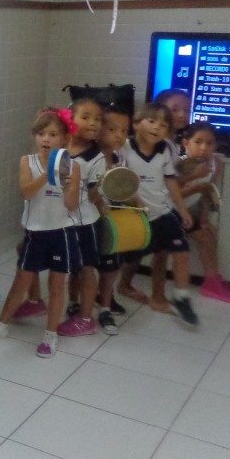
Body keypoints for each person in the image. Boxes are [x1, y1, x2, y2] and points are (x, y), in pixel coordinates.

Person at [0, 109, 82, 358]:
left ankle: (51, 334)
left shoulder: (74, 167)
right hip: (35, 232)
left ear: (65, 138)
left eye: (53, 134)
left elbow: (71, 205)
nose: (46, 139)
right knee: (22, 279)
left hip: (62, 232)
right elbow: (25, 192)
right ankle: (1, 324)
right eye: (41, 134)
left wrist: (68, 185)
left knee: (57, 285)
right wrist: (49, 175)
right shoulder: (27, 161)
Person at [117, 103, 199, 324]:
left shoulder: (165, 150)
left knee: (181, 251)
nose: (157, 128)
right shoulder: (123, 147)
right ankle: (118, 288)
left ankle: (182, 297)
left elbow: (171, 181)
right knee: (132, 257)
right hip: (136, 216)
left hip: (162, 212)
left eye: (163, 125)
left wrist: (182, 210)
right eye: (151, 121)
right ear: (136, 124)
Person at [58, 99, 106, 338]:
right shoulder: (58, 146)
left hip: (85, 222)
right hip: (60, 220)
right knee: (72, 268)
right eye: (86, 117)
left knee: (87, 269)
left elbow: (96, 193)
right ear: (70, 118)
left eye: (98, 119)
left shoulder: (96, 158)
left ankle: (86, 318)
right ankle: (71, 304)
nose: (93, 123)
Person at [179, 122, 230, 303]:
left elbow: (207, 191)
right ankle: (211, 283)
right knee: (204, 236)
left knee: (209, 232)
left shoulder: (215, 163)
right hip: (172, 212)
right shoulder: (180, 166)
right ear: (186, 144)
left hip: (192, 212)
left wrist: (204, 218)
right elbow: (172, 196)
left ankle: (213, 279)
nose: (204, 148)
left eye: (210, 143)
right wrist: (196, 184)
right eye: (198, 142)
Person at [94, 107, 133, 334]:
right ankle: (76, 303)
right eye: (112, 129)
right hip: (91, 218)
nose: (119, 135)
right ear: (99, 131)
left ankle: (105, 305)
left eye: (124, 131)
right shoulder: (91, 156)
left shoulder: (120, 157)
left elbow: (123, 186)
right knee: (86, 267)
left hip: (112, 219)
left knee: (111, 265)